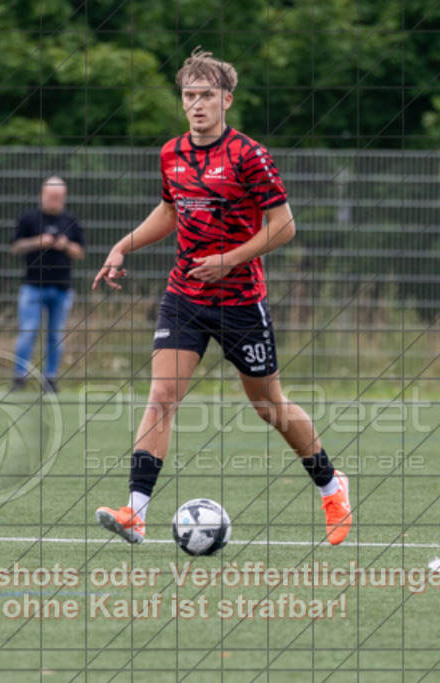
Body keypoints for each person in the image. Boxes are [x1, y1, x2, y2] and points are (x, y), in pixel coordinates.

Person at [92, 48, 352, 546]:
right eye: (189, 96)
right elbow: (170, 211)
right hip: (184, 295)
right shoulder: (172, 153)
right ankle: (135, 512)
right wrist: (122, 246)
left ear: (226, 99)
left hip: (240, 299)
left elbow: (284, 227)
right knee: (162, 396)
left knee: (269, 406)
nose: (196, 105)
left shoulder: (248, 154)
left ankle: (331, 485)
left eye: (207, 95)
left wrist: (230, 259)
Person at [10, 176, 85, 391]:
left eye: (59, 197)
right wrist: (37, 242)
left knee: (55, 334)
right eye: (52, 196)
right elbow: (15, 247)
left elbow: (80, 252)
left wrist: (66, 245)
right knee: (28, 330)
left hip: (61, 287)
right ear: (43, 195)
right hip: (33, 286)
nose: (55, 200)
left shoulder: (71, 221)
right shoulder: (29, 219)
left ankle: (50, 379)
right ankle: (19, 377)